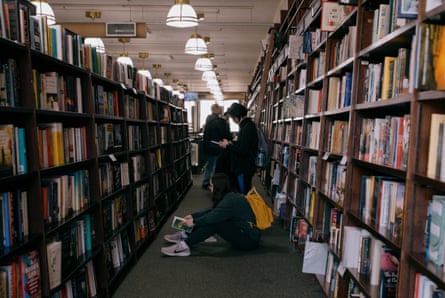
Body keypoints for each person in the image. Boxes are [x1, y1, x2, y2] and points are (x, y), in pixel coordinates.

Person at [161, 173, 261, 257]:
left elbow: (212, 217)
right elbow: (212, 211)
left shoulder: (230, 201)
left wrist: (194, 221)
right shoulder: (229, 196)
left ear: (218, 187)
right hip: (243, 233)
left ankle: (184, 245)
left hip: (249, 241)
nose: (210, 188)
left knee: (215, 223)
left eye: (211, 185)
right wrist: (193, 216)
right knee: (212, 219)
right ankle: (185, 235)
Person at [217, 102, 258, 194]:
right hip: (244, 166)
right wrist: (232, 143)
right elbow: (243, 144)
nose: (232, 120)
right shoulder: (247, 126)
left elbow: (243, 150)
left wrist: (228, 145)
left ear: (237, 117)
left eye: (232, 118)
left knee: (244, 192)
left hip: (244, 167)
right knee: (242, 190)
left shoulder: (247, 127)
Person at [201, 104, 232, 190]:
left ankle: (206, 182)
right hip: (218, 146)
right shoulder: (221, 122)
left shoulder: (208, 121)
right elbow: (226, 135)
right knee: (215, 166)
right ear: (219, 111)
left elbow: (206, 136)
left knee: (209, 165)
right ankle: (212, 184)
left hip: (209, 147)